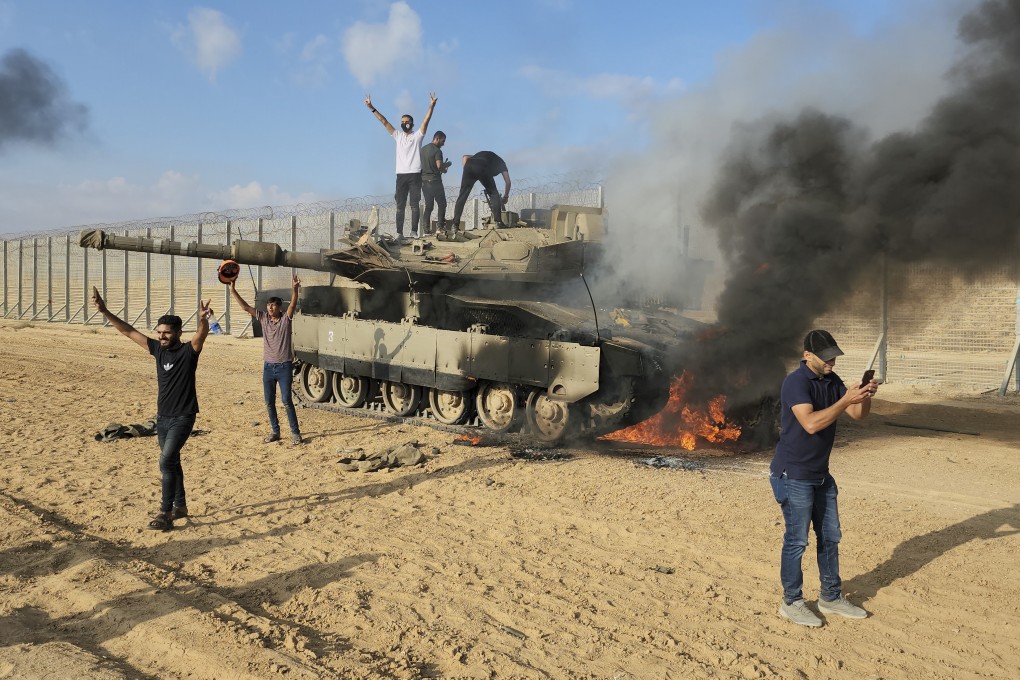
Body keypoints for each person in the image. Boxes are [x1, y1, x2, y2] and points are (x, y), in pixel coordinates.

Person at [769, 329, 879, 627]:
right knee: (796, 541)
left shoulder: (832, 380)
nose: (832, 360)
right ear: (808, 356)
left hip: (820, 474)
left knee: (830, 537)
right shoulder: (796, 383)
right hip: (793, 474)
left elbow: (858, 415)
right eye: (826, 356)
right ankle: (791, 601)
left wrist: (864, 396)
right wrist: (846, 401)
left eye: (834, 355)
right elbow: (811, 423)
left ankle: (830, 596)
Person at [91, 288, 211, 532]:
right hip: (162, 418)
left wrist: (203, 319)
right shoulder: (157, 350)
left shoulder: (189, 351)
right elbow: (128, 331)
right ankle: (181, 506)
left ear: (178, 333)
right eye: (159, 332)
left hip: (183, 417)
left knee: (166, 461)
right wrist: (105, 311)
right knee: (172, 462)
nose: (162, 336)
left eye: (167, 333)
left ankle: (165, 512)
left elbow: (201, 335)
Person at [229, 275, 303, 445]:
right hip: (268, 368)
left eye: (273, 305)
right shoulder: (263, 318)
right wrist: (233, 290)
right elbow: (246, 307)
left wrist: (295, 289)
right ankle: (275, 431)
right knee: (269, 402)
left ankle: (295, 433)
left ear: (279, 307)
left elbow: (292, 304)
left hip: (284, 367)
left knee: (286, 401)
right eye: (268, 305)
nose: (270, 307)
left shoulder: (286, 320)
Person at [364, 92, 438, 239]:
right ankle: (399, 233)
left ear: (411, 123)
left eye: (406, 121)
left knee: (414, 205)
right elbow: (384, 121)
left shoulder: (417, 136)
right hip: (401, 175)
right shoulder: (397, 136)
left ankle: (414, 231)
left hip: (415, 174)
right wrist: (371, 107)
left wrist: (431, 106)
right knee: (400, 206)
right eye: (402, 122)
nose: (404, 124)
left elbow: (426, 122)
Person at [449, 151, 511, 235]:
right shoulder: (502, 164)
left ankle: (455, 225)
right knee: (493, 194)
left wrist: (467, 172)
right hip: (483, 166)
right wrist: (506, 196)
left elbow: (465, 157)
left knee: (462, 195)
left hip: (469, 165)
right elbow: (508, 182)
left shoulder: (484, 156)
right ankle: (498, 222)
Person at [419, 130, 451, 235]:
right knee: (442, 204)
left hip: (424, 181)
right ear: (437, 138)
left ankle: (426, 230)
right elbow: (439, 166)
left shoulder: (422, 150)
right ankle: (440, 227)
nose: (444, 143)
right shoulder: (437, 151)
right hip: (435, 181)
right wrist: (445, 167)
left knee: (429, 205)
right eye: (443, 140)